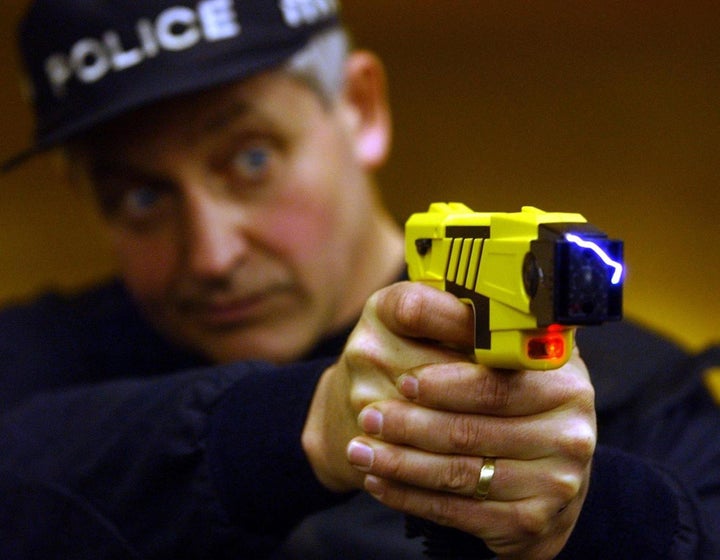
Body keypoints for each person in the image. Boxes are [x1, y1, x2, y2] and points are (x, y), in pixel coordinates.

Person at [0, 1, 718, 558]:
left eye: (251, 160)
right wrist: (308, 421)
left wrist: (585, 520)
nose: (211, 256)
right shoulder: (46, 368)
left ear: (363, 109)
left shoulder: (634, 388)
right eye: (141, 197)